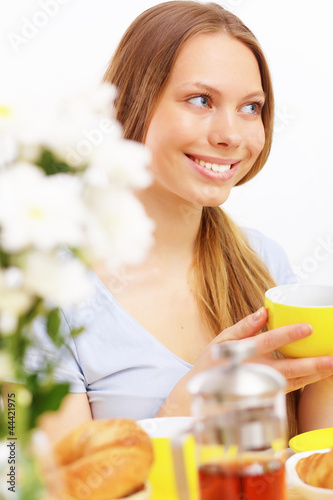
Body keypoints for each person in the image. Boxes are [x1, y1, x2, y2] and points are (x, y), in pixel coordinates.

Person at [39, 0, 333, 442]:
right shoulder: (46, 289)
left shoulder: (265, 263)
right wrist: (189, 406)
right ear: (130, 103)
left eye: (251, 107)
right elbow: (24, 481)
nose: (231, 135)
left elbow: (313, 470)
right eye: (201, 100)